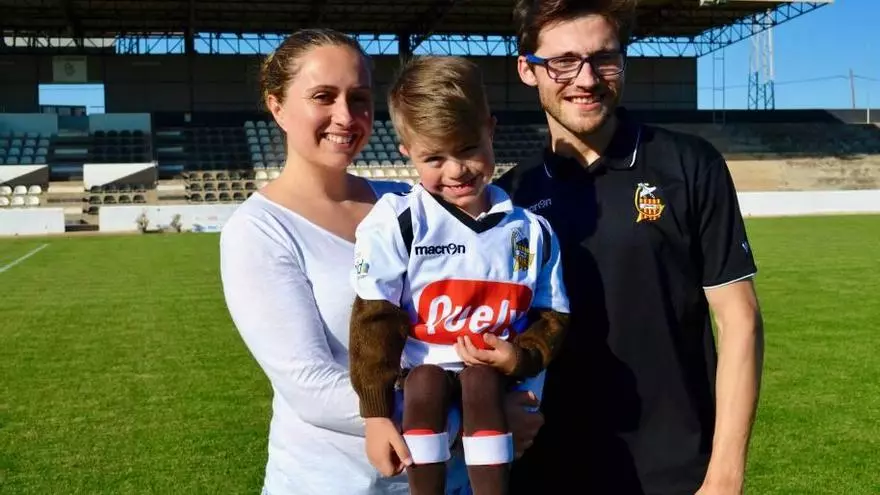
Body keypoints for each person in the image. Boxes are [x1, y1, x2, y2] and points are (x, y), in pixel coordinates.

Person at [219, 28, 544, 495]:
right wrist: (477, 416)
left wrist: (504, 392)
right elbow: (310, 385)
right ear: (277, 106)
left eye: (359, 98)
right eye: (323, 97)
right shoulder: (259, 230)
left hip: (452, 479)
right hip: (335, 484)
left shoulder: (409, 201)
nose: (345, 116)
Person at [495, 1, 766, 494]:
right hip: (544, 474)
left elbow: (739, 318)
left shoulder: (689, 166)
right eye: (563, 61)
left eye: (604, 58)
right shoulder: (510, 198)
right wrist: (498, 406)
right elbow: (489, 332)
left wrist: (725, 475)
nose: (586, 79)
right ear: (527, 70)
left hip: (676, 474)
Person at [347, 56, 571, 495]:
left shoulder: (531, 230)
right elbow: (374, 319)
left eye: (468, 148)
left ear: (490, 129)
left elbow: (552, 316)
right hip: (421, 390)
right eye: (434, 157)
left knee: (481, 381)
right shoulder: (399, 220)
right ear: (407, 152)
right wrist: (375, 414)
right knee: (427, 382)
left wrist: (519, 358)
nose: (456, 170)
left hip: (499, 393)